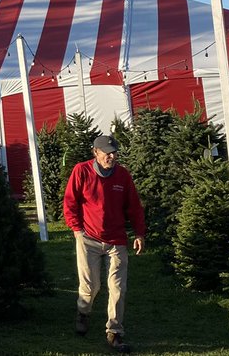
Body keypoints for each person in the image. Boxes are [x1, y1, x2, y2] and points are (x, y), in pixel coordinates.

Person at [63, 134, 146, 354]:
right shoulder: (81, 171)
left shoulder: (122, 175)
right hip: (88, 238)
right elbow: (70, 201)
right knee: (90, 287)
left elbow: (134, 206)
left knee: (118, 287)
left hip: (116, 240)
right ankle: (83, 312)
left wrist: (139, 233)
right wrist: (77, 230)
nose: (111, 156)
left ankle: (115, 332)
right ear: (96, 153)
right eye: (107, 152)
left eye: (114, 152)